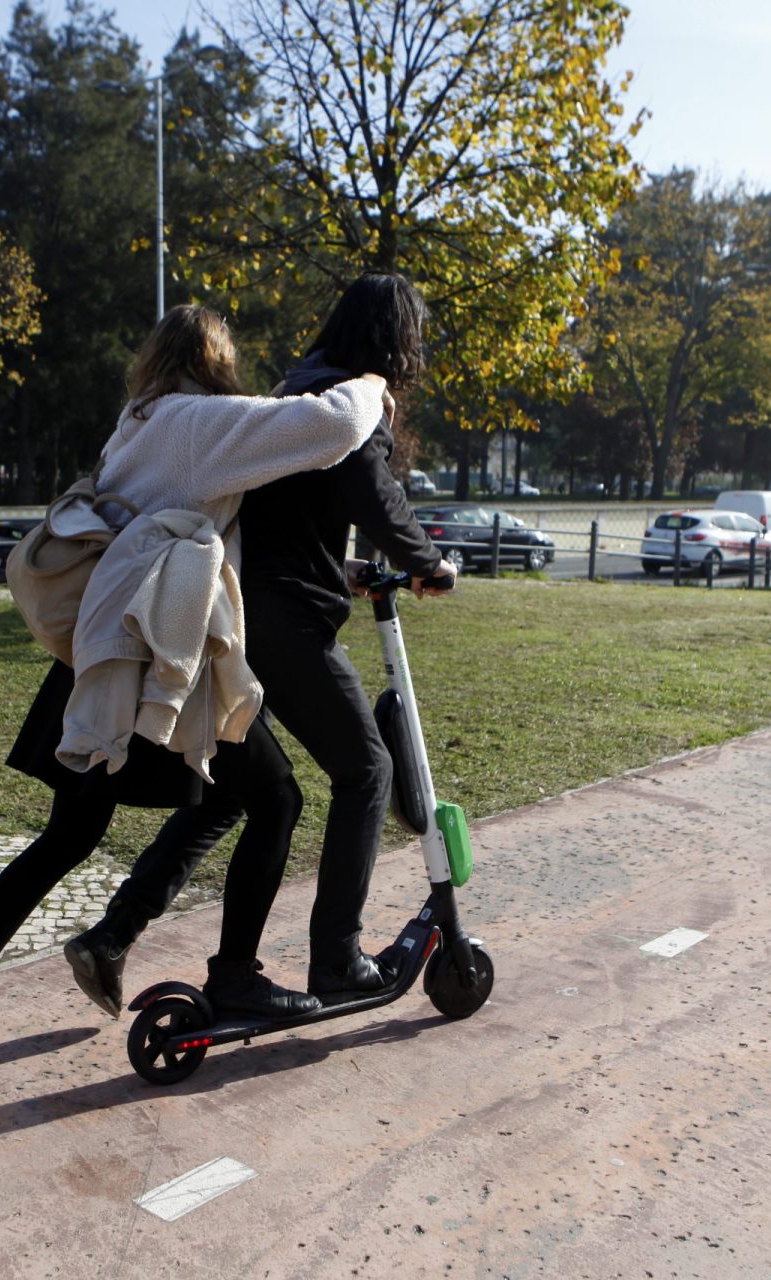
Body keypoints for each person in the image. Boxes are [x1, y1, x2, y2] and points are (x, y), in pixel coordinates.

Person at [0, 305, 391, 1079]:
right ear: (212, 358)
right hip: (154, 660)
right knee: (276, 797)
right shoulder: (196, 424)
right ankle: (235, 975)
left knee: (72, 836)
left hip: (101, 657)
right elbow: (327, 427)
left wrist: (344, 572)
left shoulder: (134, 423)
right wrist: (371, 381)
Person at [240, 273, 456, 998]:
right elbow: (378, 497)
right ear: (397, 338)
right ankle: (337, 959)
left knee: (245, 793)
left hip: (244, 607)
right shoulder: (352, 402)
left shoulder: (294, 390)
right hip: (289, 617)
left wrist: (349, 568)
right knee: (368, 771)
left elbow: (290, 518)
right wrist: (428, 565)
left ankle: (120, 930)